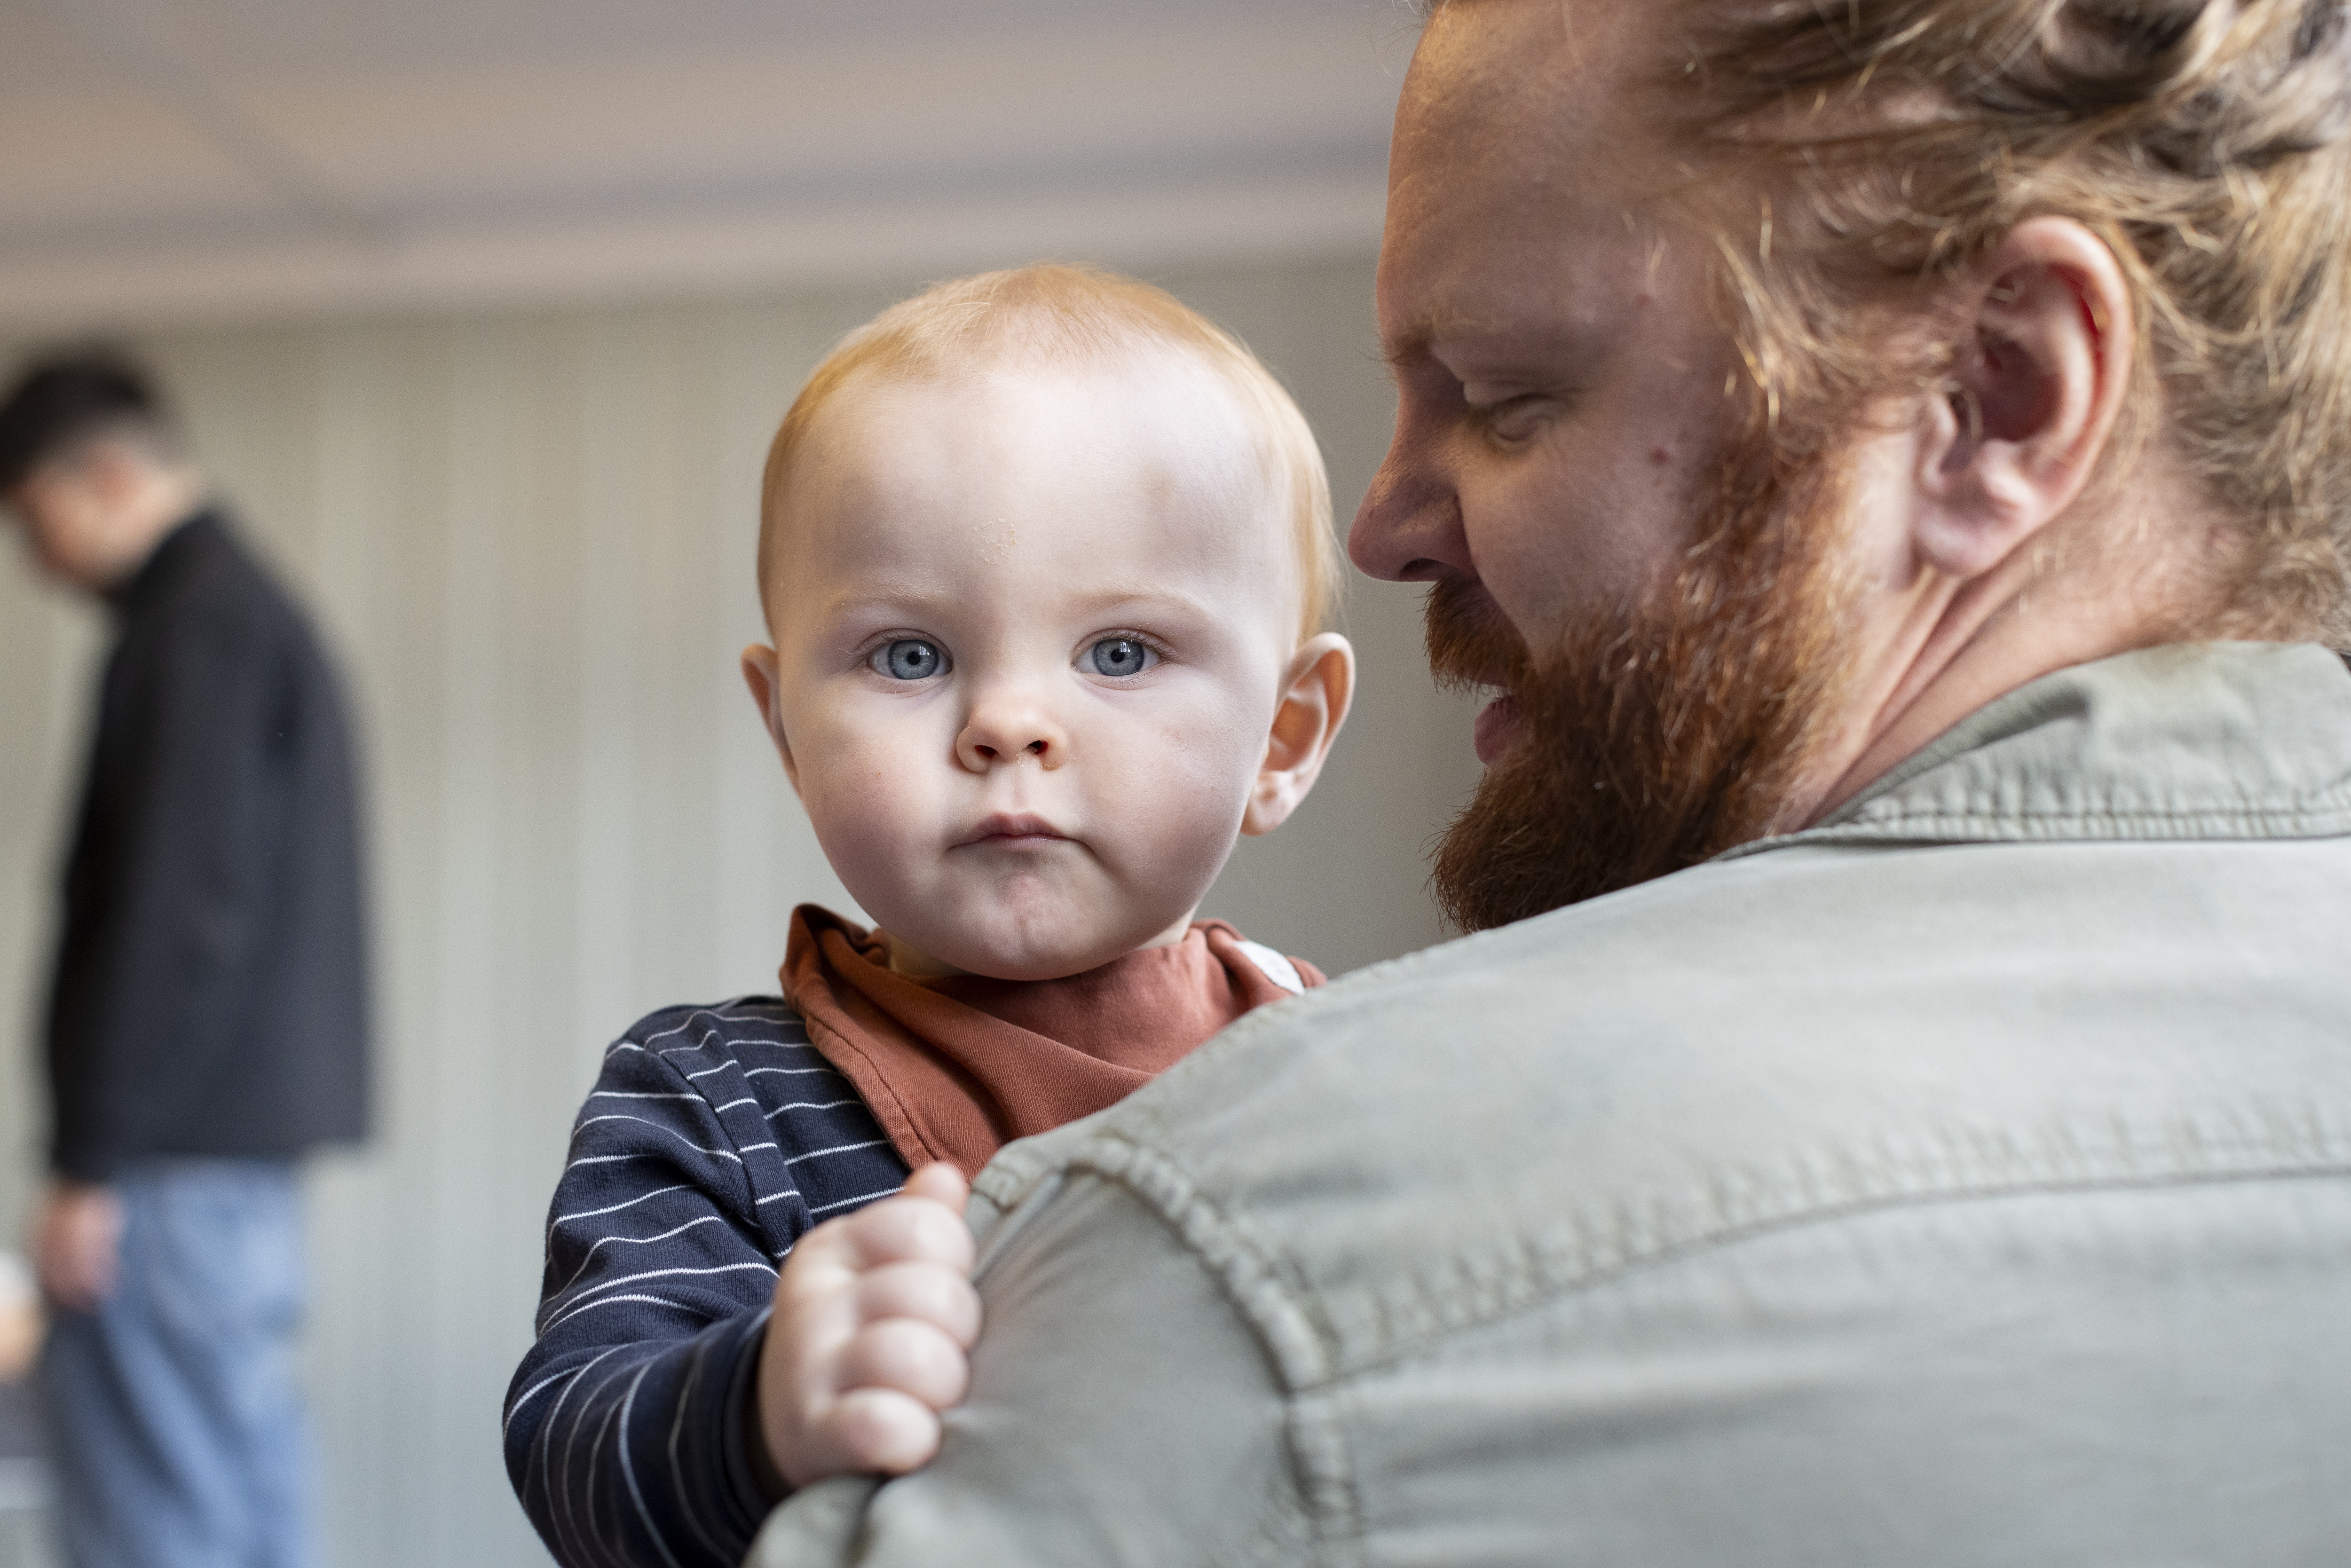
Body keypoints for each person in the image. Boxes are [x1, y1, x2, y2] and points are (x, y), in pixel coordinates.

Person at [737, 0, 2351, 1563]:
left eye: (1510, 398)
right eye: (910, 655)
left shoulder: (1248, 1265)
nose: (1382, 531)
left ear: (1995, 393)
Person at [500, 265, 1356, 1568]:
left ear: (1283, 737)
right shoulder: (713, 1100)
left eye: (1121, 653)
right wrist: (757, 1408)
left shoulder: (1345, 1066)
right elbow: (574, 1441)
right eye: (911, 655)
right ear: (789, 732)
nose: (1008, 722)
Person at [0, 349, 371, 1568]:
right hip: (222, 1166)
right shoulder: (248, 614)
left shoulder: (192, 629)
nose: (35, 560)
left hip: (165, 1165)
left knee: (157, 1520)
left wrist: (91, 1161)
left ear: (108, 476)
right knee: (239, 1504)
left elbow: (174, 913)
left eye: (35, 519)